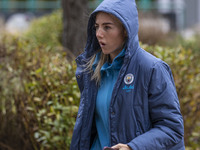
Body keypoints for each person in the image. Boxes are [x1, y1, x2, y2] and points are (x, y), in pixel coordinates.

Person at [70, 0, 185, 149]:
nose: (98, 34)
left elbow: (172, 128)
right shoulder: (91, 70)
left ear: (125, 30)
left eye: (107, 27)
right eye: (96, 27)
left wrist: (133, 147)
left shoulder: (152, 68)